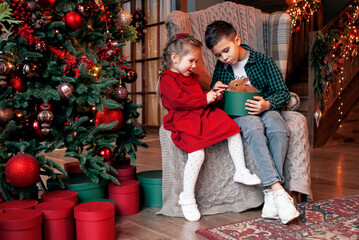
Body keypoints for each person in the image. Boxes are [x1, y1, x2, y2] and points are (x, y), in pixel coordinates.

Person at [204, 20, 299, 224]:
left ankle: (271, 195)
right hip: (240, 114)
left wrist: (266, 104)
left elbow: (282, 93)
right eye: (218, 55)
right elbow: (216, 100)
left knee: (278, 127)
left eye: (226, 50)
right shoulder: (222, 67)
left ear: (237, 39)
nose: (224, 58)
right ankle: (277, 189)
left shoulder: (264, 61)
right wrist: (217, 91)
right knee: (254, 127)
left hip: (264, 108)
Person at [159, 33, 261, 222]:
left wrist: (214, 93)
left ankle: (241, 170)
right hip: (183, 117)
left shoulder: (191, 76)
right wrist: (204, 98)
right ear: (175, 58)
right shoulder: (167, 78)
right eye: (191, 61)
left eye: (196, 61)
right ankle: (187, 197)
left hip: (199, 112)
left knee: (231, 129)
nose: (194, 66)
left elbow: (198, 97)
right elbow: (178, 100)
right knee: (197, 154)